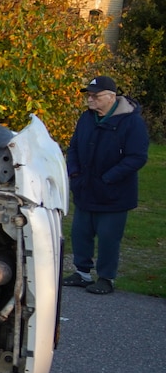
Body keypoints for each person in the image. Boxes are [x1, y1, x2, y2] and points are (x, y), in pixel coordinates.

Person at [63, 75, 149, 295]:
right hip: (85, 188)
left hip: (115, 193)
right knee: (81, 232)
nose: (90, 100)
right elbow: (73, 148)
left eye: (95, 96)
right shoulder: (86, 118)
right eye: (89, 95)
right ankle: (82, 274)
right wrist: (74, 172)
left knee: (109, 238)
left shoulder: (131, 122)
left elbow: (137, 157)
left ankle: (106, 278)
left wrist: (109, 178)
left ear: (111, 97)